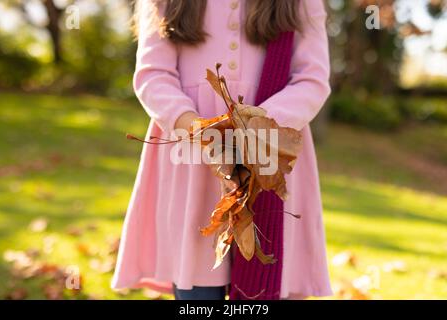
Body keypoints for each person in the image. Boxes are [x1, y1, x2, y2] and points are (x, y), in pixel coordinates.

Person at [111, 0, 333, 300]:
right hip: (192, 157)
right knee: (198, 292)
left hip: (270, 153)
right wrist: (201, 130)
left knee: (264, 283)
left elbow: (312, 79)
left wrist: (253, 131)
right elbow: (152, 76)